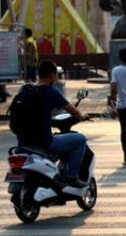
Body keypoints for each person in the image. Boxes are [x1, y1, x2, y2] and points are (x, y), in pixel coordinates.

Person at [20, 60, 90, 188]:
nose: (56, 78)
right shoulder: (51, 92)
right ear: (52, 75)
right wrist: (82, 116)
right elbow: (72, 110)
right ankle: (72, 177)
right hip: (45, 142)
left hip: (23, 142)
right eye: (56, 75)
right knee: (80, 139)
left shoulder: (26, 90)